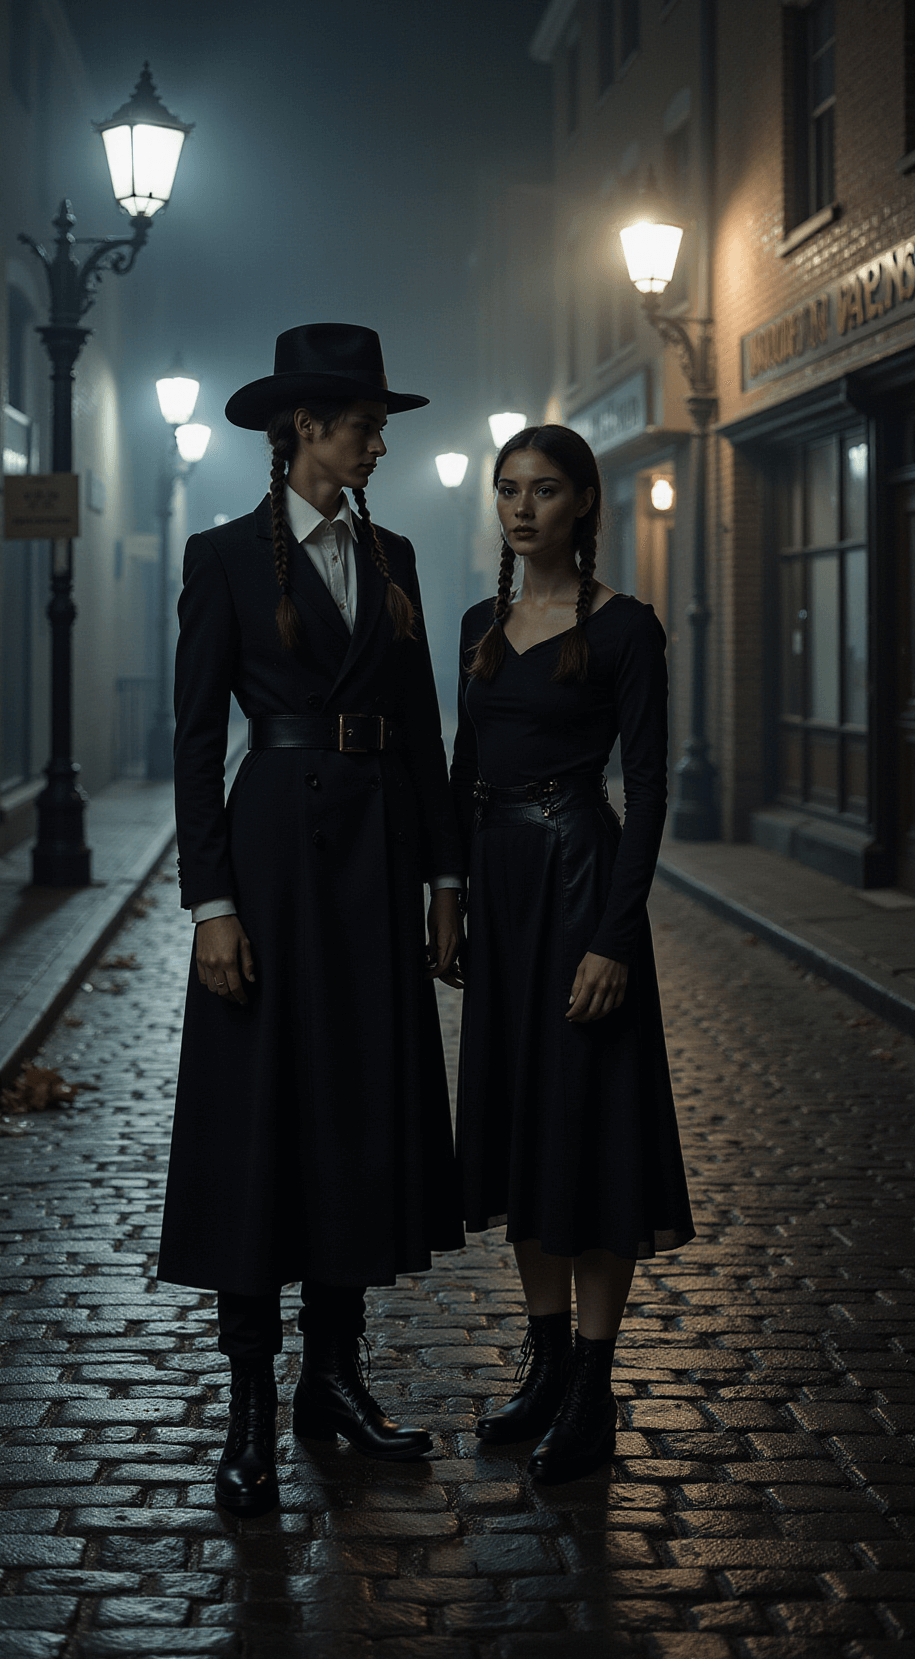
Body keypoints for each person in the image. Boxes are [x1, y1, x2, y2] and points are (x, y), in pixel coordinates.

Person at [157, 322, 464, 1516]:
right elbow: (192, 746)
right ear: (305, 431)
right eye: (365, 424)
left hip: (380, 864)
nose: (381, 442)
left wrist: (446, 883)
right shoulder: (224, 555)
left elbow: (427, 726)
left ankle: (335, 1379)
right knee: (259, 1129)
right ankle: (249, 1407)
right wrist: (211, 903)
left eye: (380, 425)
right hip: (274, 867)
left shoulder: (391, 554)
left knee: (360, 1121)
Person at [450, 423, 694, 1484]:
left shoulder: (627, 630)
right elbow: (464, 770)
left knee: (587, 1132)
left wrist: (613, 937)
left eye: (545, 490)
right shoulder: (477, 625)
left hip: (580, 880)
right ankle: (544, 1370)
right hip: (498, 893)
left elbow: (646, 792)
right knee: (514, 1121)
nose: (522, 506)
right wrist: (447, 897)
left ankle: (591, 1391)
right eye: (509, 489)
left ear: (585, 504)